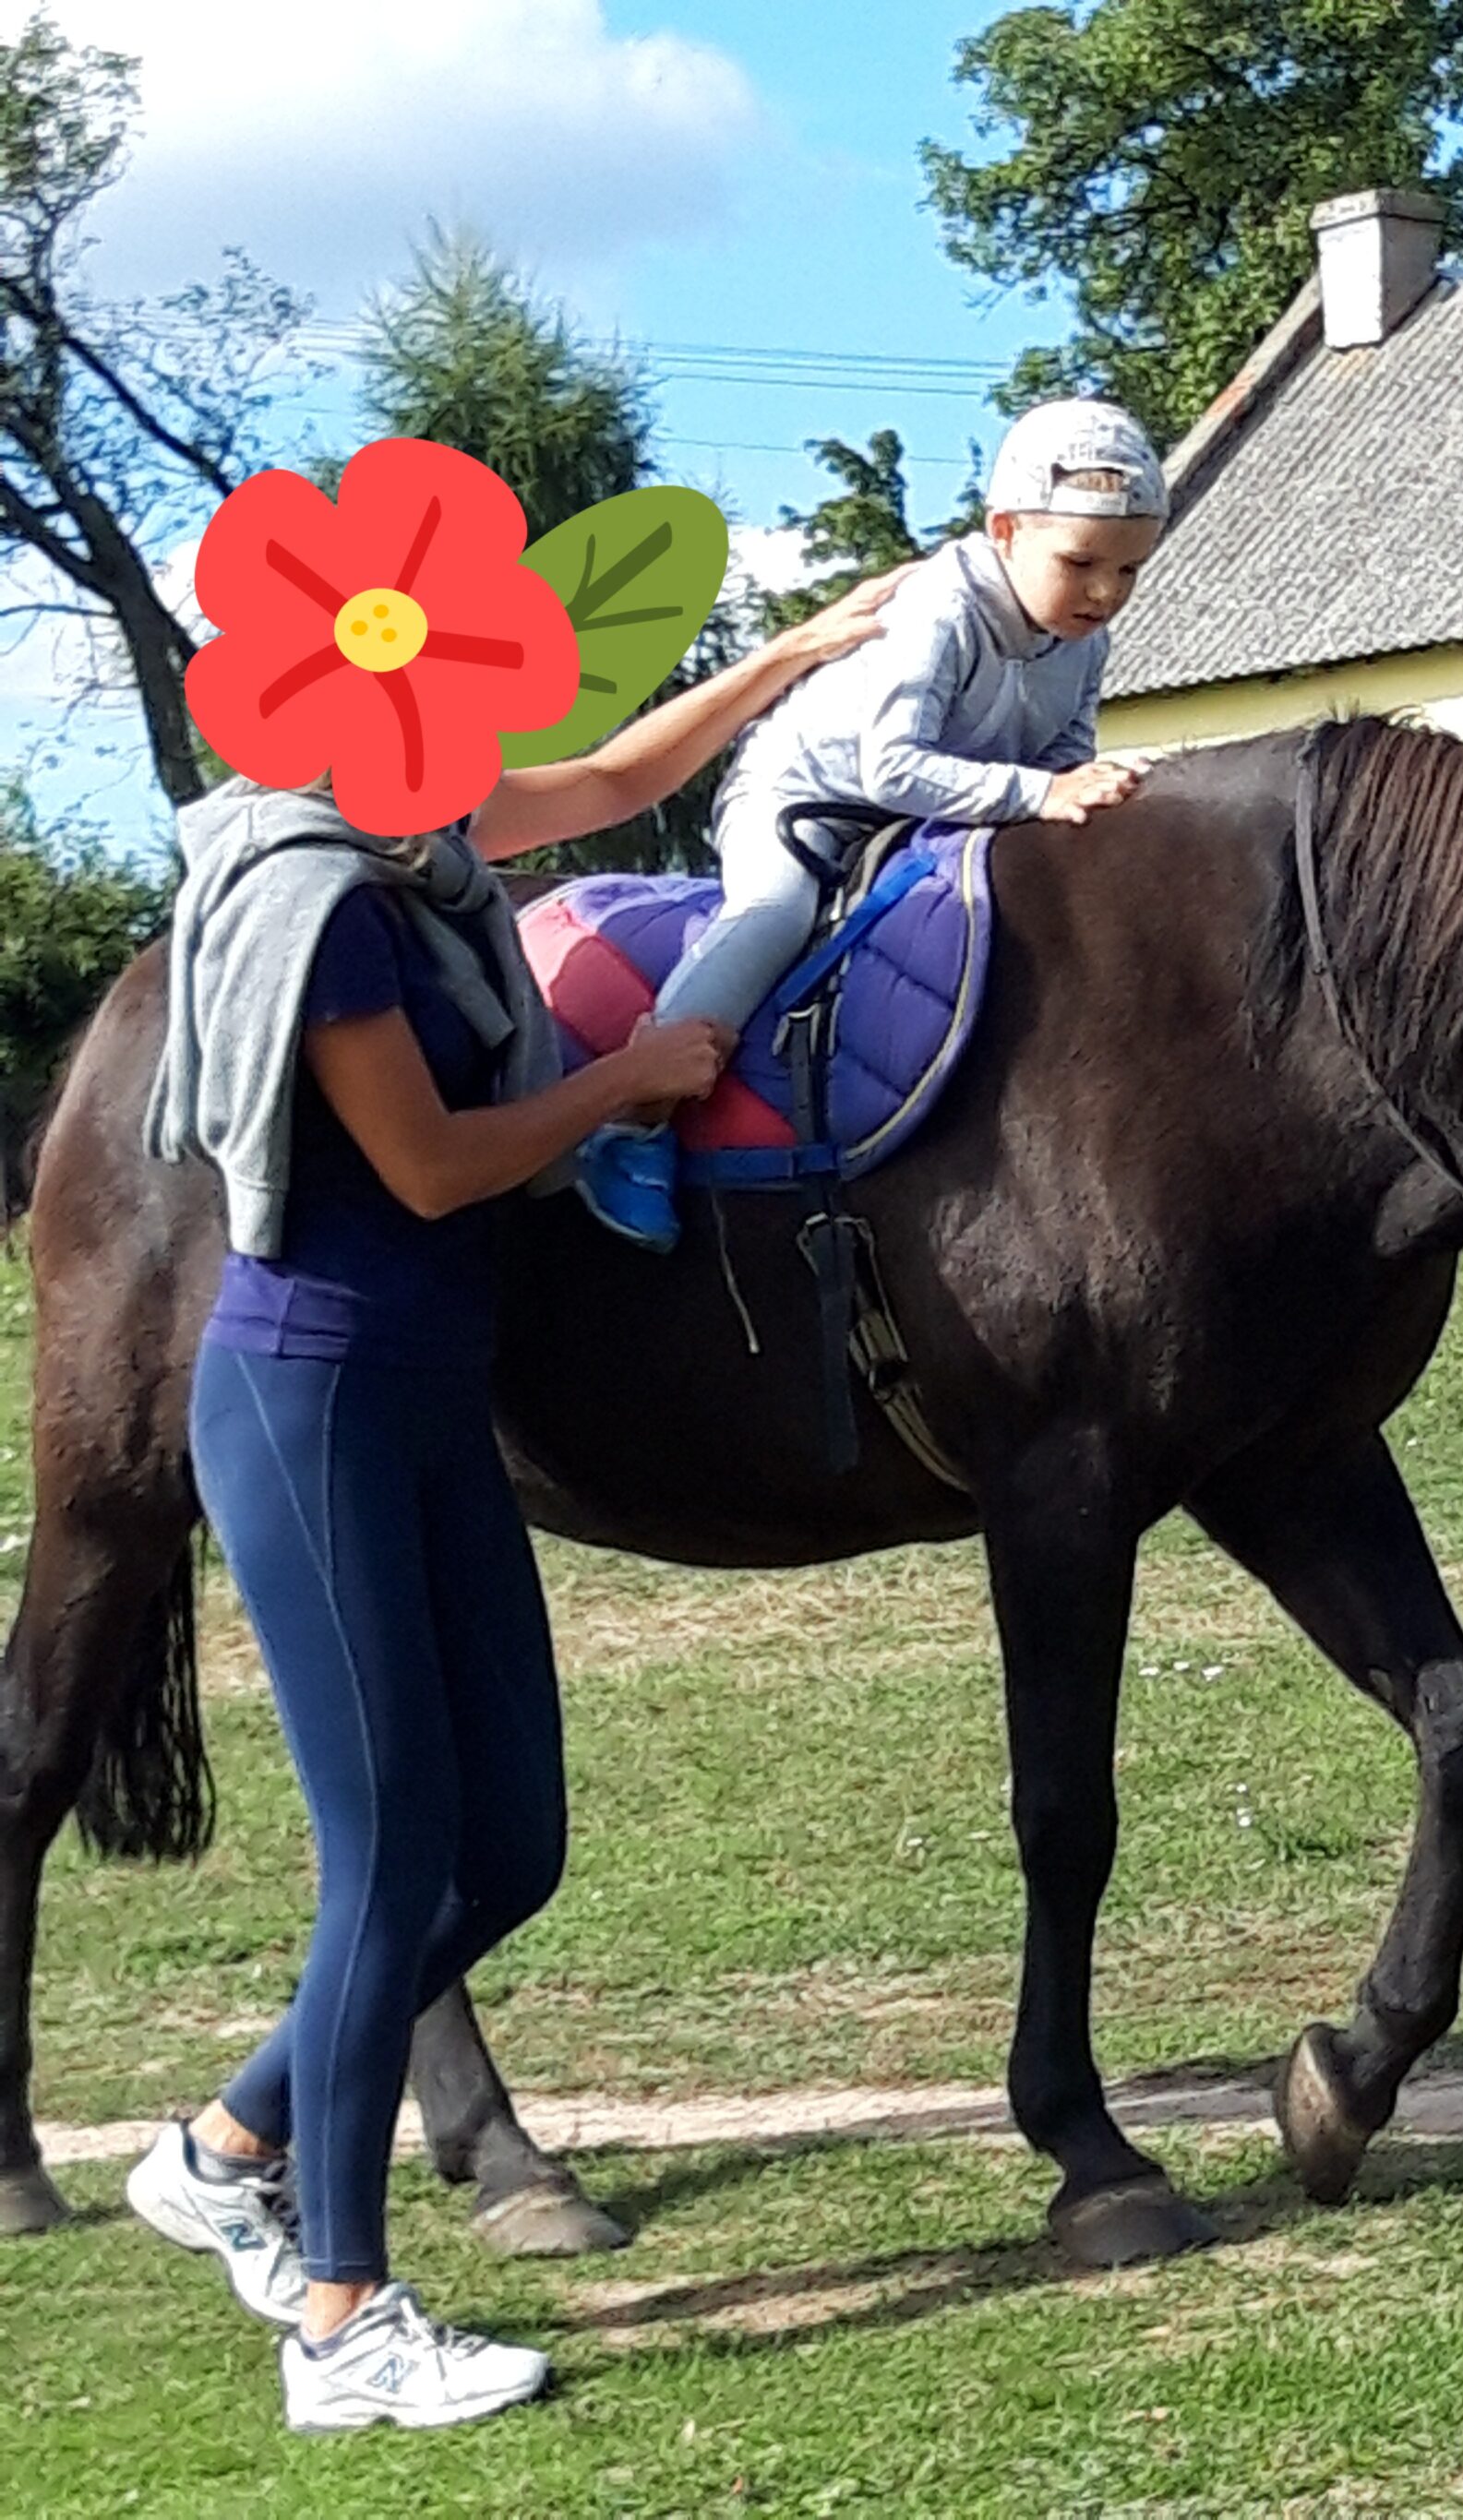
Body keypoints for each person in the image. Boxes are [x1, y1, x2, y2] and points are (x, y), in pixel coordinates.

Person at [123, 570, 905, 2436]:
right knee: (389, 1859)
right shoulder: (324, 904)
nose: (471, 746)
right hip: (310, 1400)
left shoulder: (424, 837)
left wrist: (798, 652)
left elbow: (617, 778)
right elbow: (429, 1164)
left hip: (420, 1405)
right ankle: (340, 2320)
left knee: (514, 1848)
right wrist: (626, 1079)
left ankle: (224, 2146)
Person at [577, 398, 1169, 1250]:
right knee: (773, 918)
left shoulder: (1084, 640)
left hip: (939, 816)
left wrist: (1079, 793)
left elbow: (1066, 757)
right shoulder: (939, 610)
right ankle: (633, 1120)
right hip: (805, 804)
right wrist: (1042, 794)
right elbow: (894, 767)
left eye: (1129, 570)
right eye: (1080, 563)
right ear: (1005, 531)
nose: (1106, 593)